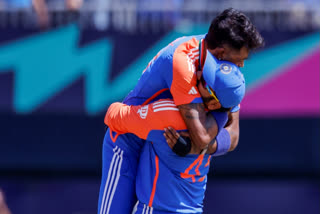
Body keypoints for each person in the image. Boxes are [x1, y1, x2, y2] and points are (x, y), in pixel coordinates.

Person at [97, 8, 264, 214]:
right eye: (239, 59)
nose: (240, 66)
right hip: (130, 139)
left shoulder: (223, 77)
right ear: (221, 53)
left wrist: (199, 147)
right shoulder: (183, 62)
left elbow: (233, 134)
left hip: (158, 134)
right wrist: (204, 142)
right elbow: (202, 136)